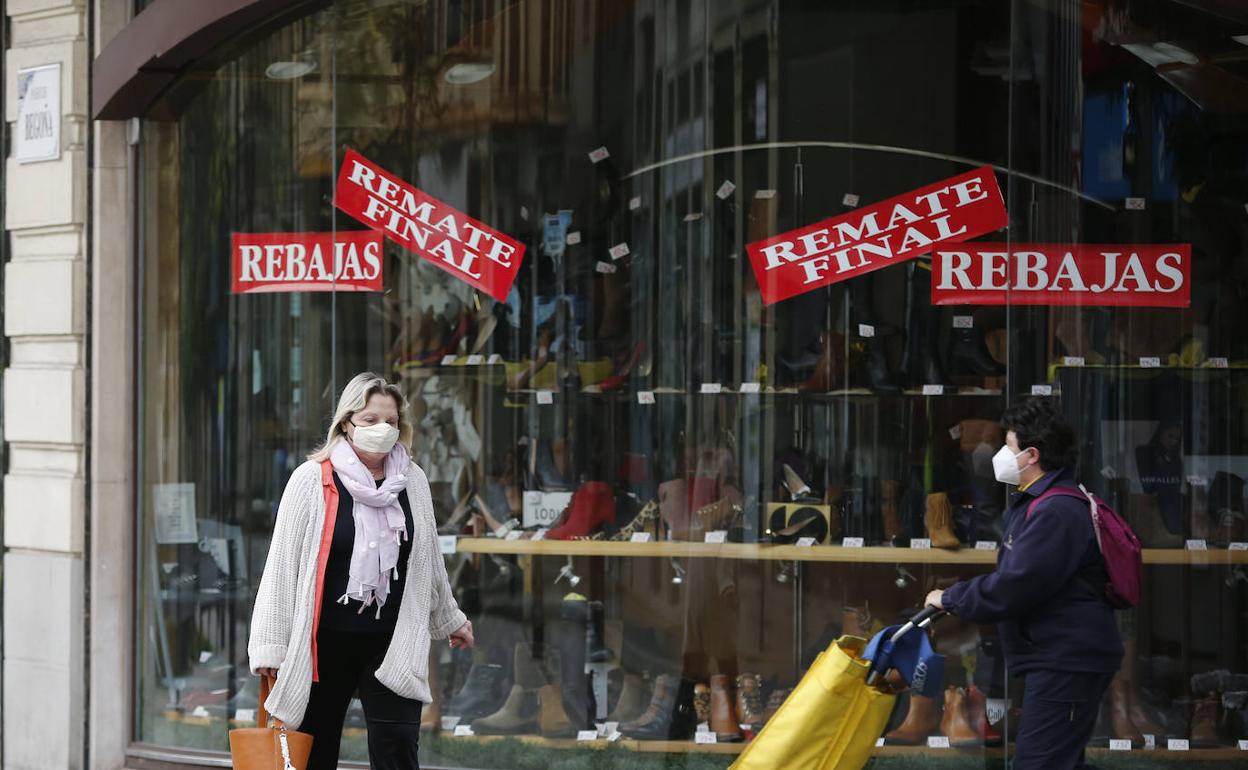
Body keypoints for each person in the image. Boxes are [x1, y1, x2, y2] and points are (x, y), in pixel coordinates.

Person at [249, 372, 474, 770]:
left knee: (398, 748)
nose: (382, 430)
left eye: (391, 422)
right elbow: (281, 565)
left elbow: (426, 558)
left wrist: (449, 617)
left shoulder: (412, 481)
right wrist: (270, 645)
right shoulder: (311, 480)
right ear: (346, 423)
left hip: (391, 639)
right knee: (313, 753)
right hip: (323, 644)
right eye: (370, 420)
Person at [926, 397, 1123, 770]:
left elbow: (1015, 585)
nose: (1001, 454)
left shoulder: (1055, 511)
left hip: (1066, 661)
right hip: (1061, 657)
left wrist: (949, 597)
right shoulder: (1042, 503)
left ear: (1031, 455)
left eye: (1009, 446)